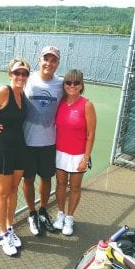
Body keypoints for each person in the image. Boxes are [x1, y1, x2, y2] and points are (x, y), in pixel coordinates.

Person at [0, 46, 64, 236]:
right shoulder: (26, 78)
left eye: (53, 60)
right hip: (27, 143)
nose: (49, 63)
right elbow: (7, 100)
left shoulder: (61, 84)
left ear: (58, 63)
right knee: (28, 180)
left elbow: (72, 100)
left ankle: (42, 212)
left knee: (47, 179)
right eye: (46, 59)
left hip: (49, 141)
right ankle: (32, 213)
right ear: (40, 60)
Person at [0, 57, 30, 256]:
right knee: (3, 192)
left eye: (24, 73)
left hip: (19, 148)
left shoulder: (22, 94)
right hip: (2, 150)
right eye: (16, 72)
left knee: (14, 189)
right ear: (10, 74)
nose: (20, 76)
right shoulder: (3, 92)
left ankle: (10, 228)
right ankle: (1, 234)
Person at [53, 69, 97, 236]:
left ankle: (70, 218)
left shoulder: (87, 105)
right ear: (64, 85)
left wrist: (85, 158)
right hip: (60, 152)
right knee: (61, 184)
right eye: (68, 82)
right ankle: (60, 214)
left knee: (75, 187)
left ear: (81, 85)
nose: (72, 86)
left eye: (76, 83)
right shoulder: (61, 102)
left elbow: (91, 134)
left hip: (79, 155)